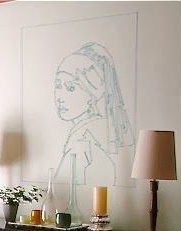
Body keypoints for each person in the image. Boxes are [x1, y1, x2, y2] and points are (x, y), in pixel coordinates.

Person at [54, 42, 134, 186]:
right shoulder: (88, 130)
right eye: (58, 86)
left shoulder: (84, 138)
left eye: (71, 88)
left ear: (92, 95)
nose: (60, 97)